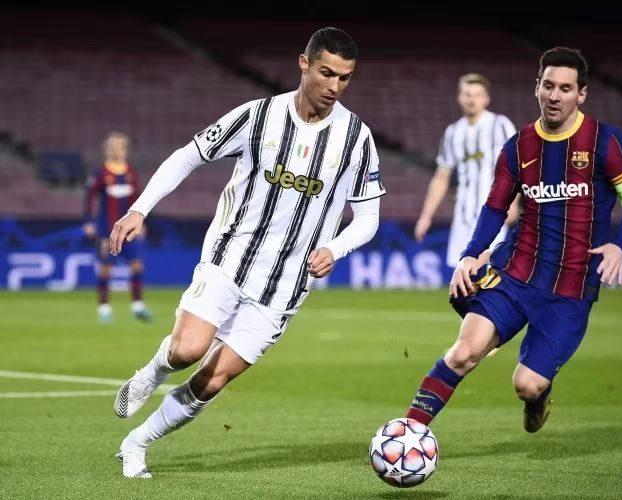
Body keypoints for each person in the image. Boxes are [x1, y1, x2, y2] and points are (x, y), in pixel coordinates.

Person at [110, 27, 385, 478]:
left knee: (212, 379)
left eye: (345, 78)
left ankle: (136, 442)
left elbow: (369, 217)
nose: (334, 86)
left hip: (286, 283)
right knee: (188, 350)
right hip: (231, 256)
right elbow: (188, 155)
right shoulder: (258, 116)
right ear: (304, 64)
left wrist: (335, 248)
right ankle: (153, 372)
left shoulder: (356, 137)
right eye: (326, 73)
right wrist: (140, 208)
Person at [404, 47, 622, 433]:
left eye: (565, 88)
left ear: (581, 94)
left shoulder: (606, 142)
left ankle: (539, 395)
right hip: (516, 270)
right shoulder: (518, 146)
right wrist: (471, 254)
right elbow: (495, 208)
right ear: (537, 87)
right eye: (548, 86)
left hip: (570, 285)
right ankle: (407, 434)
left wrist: (621, 245)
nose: (555, 95)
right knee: (464, 352)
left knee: (527, 383)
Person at [414, 73, 520, 268]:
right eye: (467, 94)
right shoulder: (453, 132)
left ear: (486, 99)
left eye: (477, 95)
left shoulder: (500, 125)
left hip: (495, 211)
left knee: (486, 270)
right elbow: (441, 177)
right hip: (463, 214)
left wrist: (513, 202)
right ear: (459, 98)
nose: (472, 100)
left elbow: (517, 165)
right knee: (462, 274)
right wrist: (426, 216)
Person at [83, 132, 152, 323]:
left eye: (120, 146)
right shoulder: (100, 174)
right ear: (107, 149)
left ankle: (138, 306)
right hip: (107, 229)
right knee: (106, 268)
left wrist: (141, 221)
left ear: (125, 150)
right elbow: (89, 199)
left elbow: (138, 201)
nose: (117, 150)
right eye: (113, 146)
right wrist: (88, 221)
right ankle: (104, 308)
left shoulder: (131, 173)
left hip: (129, 229)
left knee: (136, 264)